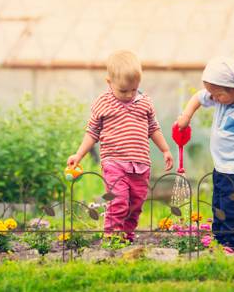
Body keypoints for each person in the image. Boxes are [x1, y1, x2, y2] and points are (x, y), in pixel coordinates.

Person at [67, 50, 173, 242]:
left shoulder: (145, 103)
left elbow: (153, 128)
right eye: (123, 91)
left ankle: (127, 234)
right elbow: (92, 132)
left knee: (136, 203)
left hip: (140, 164)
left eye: (133, 90)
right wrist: (79, 155)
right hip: (114, 162)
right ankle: (112, 236)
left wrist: (165, 149)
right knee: (119, 200)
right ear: (109, 82)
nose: (129, 95)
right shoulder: (103, 103)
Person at [177, 57, 234, 250]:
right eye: (212, 94)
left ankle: (232, 244)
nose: (213, 98)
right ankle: (220, 240)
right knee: (219, 204)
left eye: (218, 94)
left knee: (233, 208)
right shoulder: (219, 98)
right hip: (221, 168)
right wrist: (186, 117)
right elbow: (197, 98)